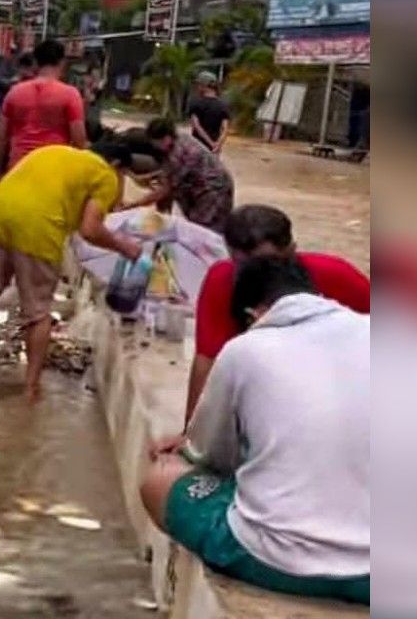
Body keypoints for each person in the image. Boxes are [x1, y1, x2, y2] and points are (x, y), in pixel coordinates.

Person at [140, 257, 369, 605]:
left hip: (276, 559)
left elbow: (210, 456)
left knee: (161, 478)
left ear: (252, 315)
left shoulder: (246, 350)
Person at [0, 141, 146, 400]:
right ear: (117, 166)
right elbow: (90, 229)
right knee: (38, 314)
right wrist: (124, 247)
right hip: (39, 230)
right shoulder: (105, 174)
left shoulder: (54, 152)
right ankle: (31, 389)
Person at [182, 205, 369, 423]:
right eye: (249, 266)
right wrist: (190, 433)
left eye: (271, 263)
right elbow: (207, 360)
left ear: (292, 250)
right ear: (231, 255)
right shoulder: (221, 281)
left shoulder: (336, 275)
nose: (261, 275)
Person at [0, 39, 87, 178]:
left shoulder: (14, 92)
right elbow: (79, 140)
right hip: (52, 169)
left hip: (18, 167)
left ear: (36, 63)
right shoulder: (70, 95)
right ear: (62, 62)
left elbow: (2, 137)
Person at [124, 118, 234, 234]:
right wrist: (151, 177)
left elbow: (165, 189)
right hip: (206, 187)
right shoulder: (178, 139)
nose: (156, 146)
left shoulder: (178, 152)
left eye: (158, 142)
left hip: (213, 191)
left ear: (166, 138)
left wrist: (134, 205)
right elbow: (169, 174)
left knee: (203, 232)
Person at [186, 71, 230, 154]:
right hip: (214, 150)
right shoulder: (223, 105)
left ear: (204, 85)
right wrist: (217, 144)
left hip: (198, 148)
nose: (197, 87)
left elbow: (196, 126)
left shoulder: (195, 103)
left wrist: (210, 143)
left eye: (199, 84)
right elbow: (225, 129)